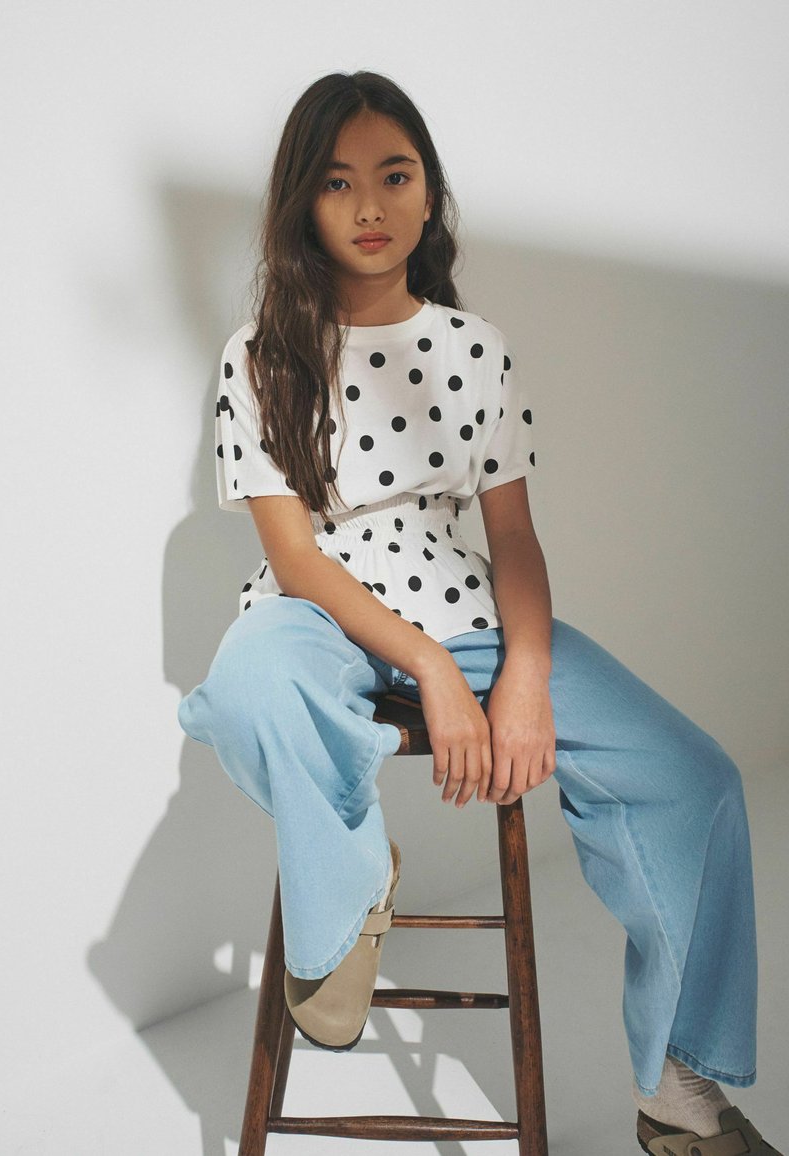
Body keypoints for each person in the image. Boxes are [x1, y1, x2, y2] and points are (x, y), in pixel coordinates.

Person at [177, 71, 781, 1154]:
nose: (369, 205)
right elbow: (294, 558)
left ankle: (680, 1090)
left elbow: (514, 540)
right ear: (301, 203)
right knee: (248, 685)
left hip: (462, 606)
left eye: (394, 175)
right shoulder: (260, 354)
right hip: (314, 609)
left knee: (692, 777)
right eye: (336, 182)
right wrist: (433, 674)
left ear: (429, 192)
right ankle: (349, 883)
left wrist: (523, 679)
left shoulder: (475, 348)